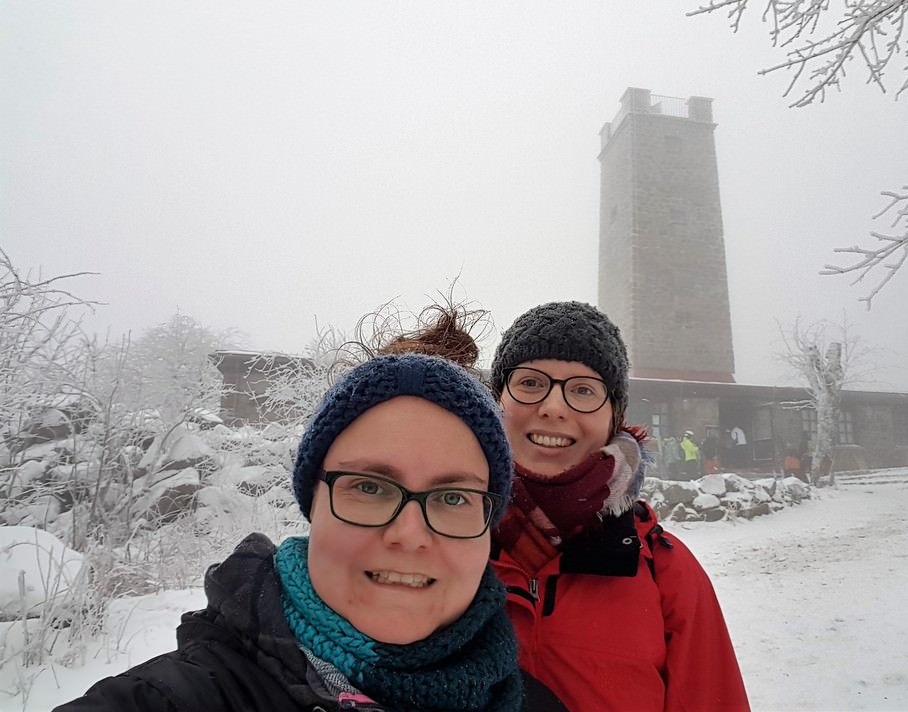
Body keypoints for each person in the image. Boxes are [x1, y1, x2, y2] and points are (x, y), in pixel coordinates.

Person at [55, 315, 566, 711]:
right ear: (312, 504)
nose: (410, 534)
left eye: (453, 498)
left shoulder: (540, 704)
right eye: (369, 486)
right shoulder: (172, 699)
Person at [489, 301, 750, 712]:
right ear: (496, 400)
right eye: (530, 383)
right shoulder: (433, 545)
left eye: (582, 390)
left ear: (614, 415)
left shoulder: (666, 574)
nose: (553, 407)